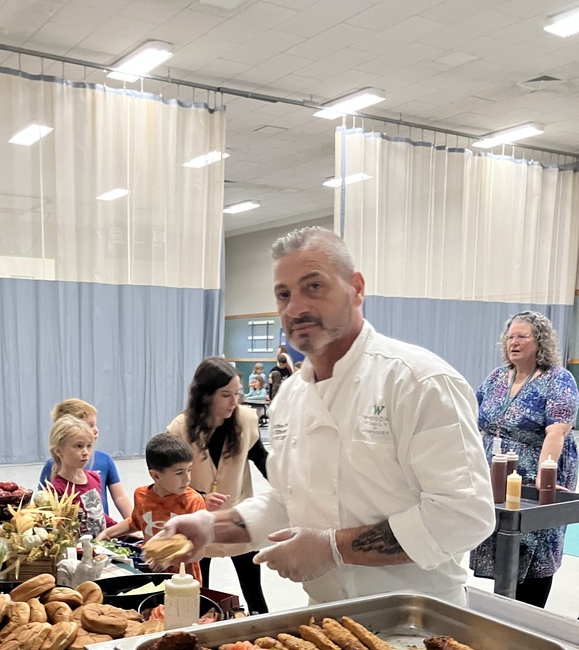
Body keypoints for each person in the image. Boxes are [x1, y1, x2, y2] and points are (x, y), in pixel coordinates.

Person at [158, 226, 495, 606]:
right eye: (283, 294)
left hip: (418, 617)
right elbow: (287, 503)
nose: (295, 308)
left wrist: (334, 548)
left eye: (313, 286)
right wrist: (211, 526)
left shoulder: (417, 382)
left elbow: (465, 515)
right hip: (324, 616)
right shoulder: (290, 397)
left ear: (357, 288)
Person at [469, 311, 579, 608]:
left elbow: (556, 432)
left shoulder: (559, 379)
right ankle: (504, 611)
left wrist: (547, 478)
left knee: (535, 546)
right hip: (497, 471)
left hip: (538, 472)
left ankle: (531, 614)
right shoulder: (496, 378)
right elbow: (472, 420)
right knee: (505, 541)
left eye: (522, 337)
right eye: (510, 337)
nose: (513, 343)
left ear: (540, 342)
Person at [167, 357, 269, 614]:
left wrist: (292, 490)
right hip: (197, 521)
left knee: (254, 593)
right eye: (226, 395)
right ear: (205, 395)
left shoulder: (246, 420)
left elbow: (262, 460)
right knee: (201, 594)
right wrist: (199, 496)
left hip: (238, 518)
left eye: (237, 393)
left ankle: (262, 634)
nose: (234, 401)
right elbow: (170, 478)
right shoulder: (180, 429)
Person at [97, 434, 206, 582]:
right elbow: (135, 522)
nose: (187, 478)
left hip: (184, 580)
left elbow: (199, 549)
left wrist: (168, 560)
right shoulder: (142, 495)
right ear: (156, 476)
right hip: (149, 575)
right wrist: (108, 533)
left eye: (189, 470)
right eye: (179, 473)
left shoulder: (193, 501)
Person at [38, 398, 132, 519]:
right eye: (90, 425)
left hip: (101, 530)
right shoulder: (51, 467)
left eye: (95, 425)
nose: (96, 430)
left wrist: (132, 524)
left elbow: (120, 496)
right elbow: (43, 505)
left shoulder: (104, 460)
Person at [49, 415, 115, 537]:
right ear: (58, 451)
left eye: (88, 446)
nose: (86, 452)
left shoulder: (94, 478)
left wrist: (124, 530)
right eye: (79, 446)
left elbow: (97, 516)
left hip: (103, 549)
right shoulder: (56, 489)